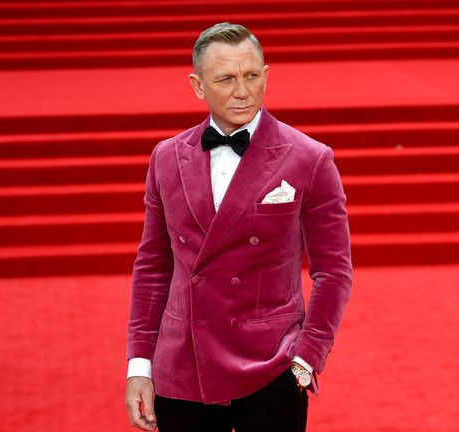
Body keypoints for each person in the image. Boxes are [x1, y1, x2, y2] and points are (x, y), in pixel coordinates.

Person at [124, 22, 352, 432]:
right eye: (226, 79)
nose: (242, 91)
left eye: (251, 76)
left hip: (270, 370)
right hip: (182, 369)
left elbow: (333, 271)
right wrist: (139, 364)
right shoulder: (166, 158)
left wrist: (306, 359)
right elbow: (153, 269)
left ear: (266, 75)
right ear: (198, 86)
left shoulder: (310, 159)